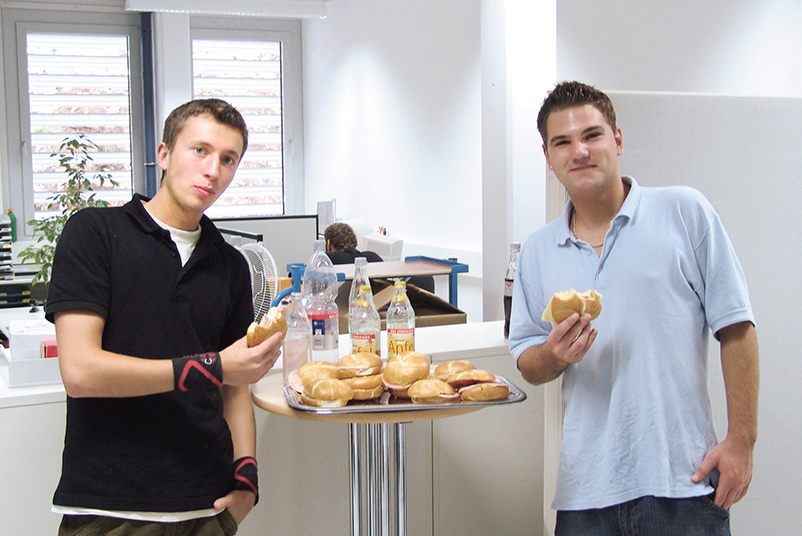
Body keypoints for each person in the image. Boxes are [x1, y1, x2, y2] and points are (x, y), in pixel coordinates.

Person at [508, 81, 759, 536]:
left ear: (617, 139)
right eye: (562, 142)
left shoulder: (685, 211)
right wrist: (554, 355)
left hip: (684, 482)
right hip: (586, 494)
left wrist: (742, 440)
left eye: (592, 135)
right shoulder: (537, 251)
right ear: (548, 156)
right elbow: (528, 360)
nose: (579, 151)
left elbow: (737, 327)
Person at [46, 99, 283, 536]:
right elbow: (80, 372)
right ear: (163, 154)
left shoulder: (230, 265)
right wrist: (211, 367)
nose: (213, 170)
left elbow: (235, 390)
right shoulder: (96, 234)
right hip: (109, 510)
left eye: (228, 159)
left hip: (206, 510)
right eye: (200, 150)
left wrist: (247, 480)